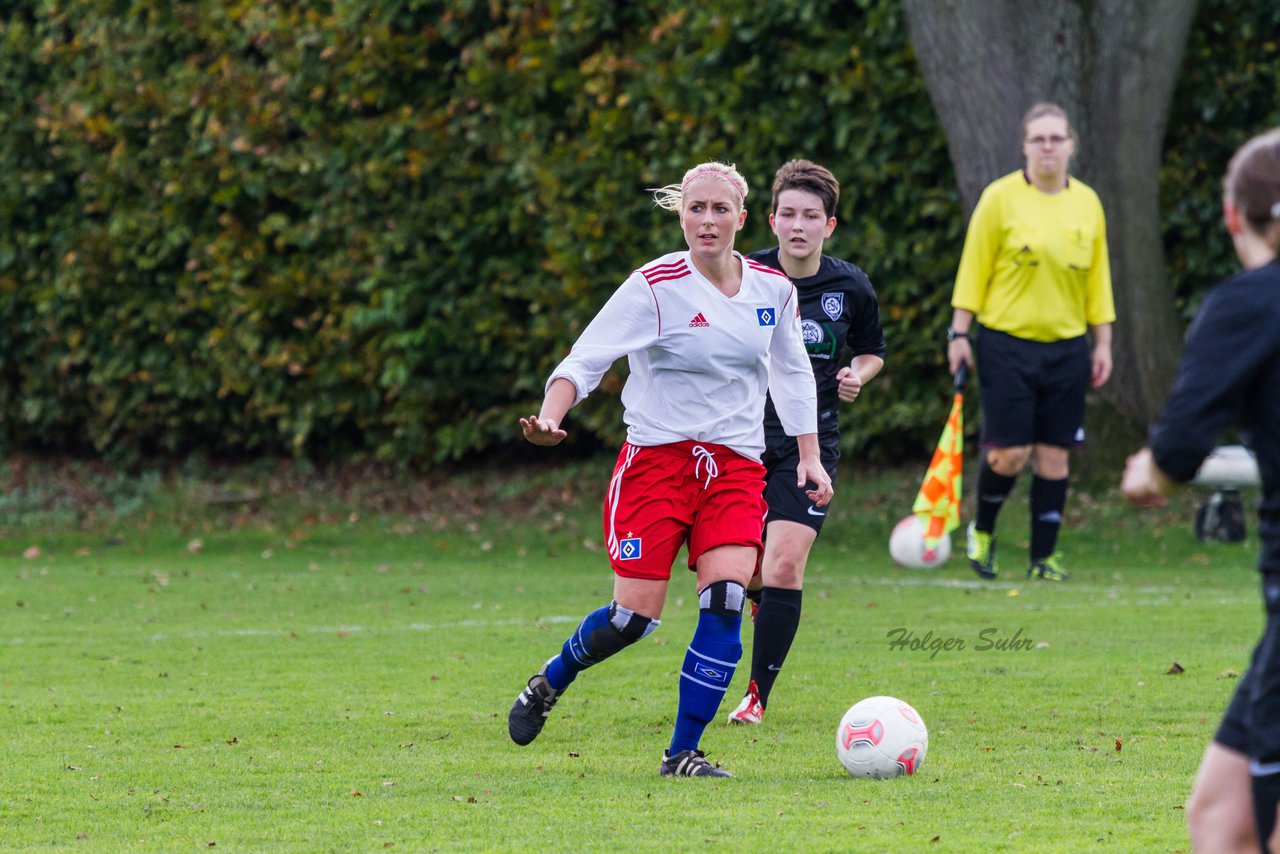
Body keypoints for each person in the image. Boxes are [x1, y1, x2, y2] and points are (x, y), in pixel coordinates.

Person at [507, 161, 834, 778]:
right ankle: (551, 680)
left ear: (742, 218)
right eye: (695, 209)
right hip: (656, 465)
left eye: (719, 210)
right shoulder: (655, 286)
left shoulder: (774, 291)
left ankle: (682, 752)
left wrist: (809, 457)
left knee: (729, 596)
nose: (706, 221)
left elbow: (792, 375)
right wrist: (551, 417)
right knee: (632, 619)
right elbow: (584, 360)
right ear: (680, 214)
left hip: (735, 467)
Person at [1121, 127, 1280, 854]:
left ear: (1231, 216)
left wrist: (1145, 474)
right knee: (1220, 820)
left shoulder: (1248, 304)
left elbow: (1176, 454)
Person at [725, 160, 886, 725]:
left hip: (807, 447)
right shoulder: (742, 276)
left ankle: (756, 697)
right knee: (745, 573)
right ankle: (754, 602)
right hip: (736, 441)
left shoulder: (851, 285)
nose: (798, 225)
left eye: (810, 216)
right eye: (788, 214)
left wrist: (856, 376)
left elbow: (870, 350)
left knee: (786, 565)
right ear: (770, 220)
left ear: (829, 226)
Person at [946, 102, 1115, 582]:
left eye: (1056, 138)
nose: (1047, 147)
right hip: (1005, 344)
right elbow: (973, 270)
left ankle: (1044, 559)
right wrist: (960, 332)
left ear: (1070, 146)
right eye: (1038, 139)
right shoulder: (1000, 199)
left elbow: (1098, 281)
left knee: (1054, 455)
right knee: (1009, 454)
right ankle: (982, 531)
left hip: (1067, 348)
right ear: (1024, 146)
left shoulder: (1088, 202)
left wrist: (1102, 344)